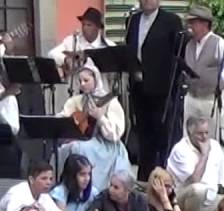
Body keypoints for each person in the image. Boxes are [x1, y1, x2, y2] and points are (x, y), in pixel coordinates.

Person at [125, 0, 184, 180]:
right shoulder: (133, 21)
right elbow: (130, 48)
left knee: (163, 135)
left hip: (162, 90)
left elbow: (178, 54)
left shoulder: (171, 20)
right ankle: (144, 177)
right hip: (139, 87)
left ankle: (163, 177)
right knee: (143, 134)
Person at [57, 65, 131, 194]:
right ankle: (68, 188)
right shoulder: (76, 100)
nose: (82, 84)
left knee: (80, 148)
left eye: (86, 80)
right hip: (84, 139)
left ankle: (89, 189)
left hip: (105, 143)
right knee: (64, 148)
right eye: (80, 81)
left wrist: (100, 117)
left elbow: (115, 134)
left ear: (96, 80)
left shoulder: (110, 101)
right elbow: (63, 117)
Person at [181, 5, 224, 145]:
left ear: (204, 23)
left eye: (194, 23)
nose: (190, 26)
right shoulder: (188, 44)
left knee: (211, 139)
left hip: (211, 99)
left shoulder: (220, 44)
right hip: (191, 97)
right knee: (188, 137)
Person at [167, 116, 224, 211]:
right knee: (198, 189)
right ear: (190, 133)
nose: (204, 137)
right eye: (200, 133)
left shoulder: (215, 146)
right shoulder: (180, 149)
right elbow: (195, 180)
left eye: (206, 133)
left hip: (211, 199)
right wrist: (204, 155)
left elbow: (221, 182)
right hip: (183, 199)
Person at [49, 7, 114, 77]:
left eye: (89, 25)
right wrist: (66, 59)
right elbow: (52, 53)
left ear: (98, 27)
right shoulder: (72, 41)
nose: (84, 28)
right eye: (83, 24)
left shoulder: (109, 46)